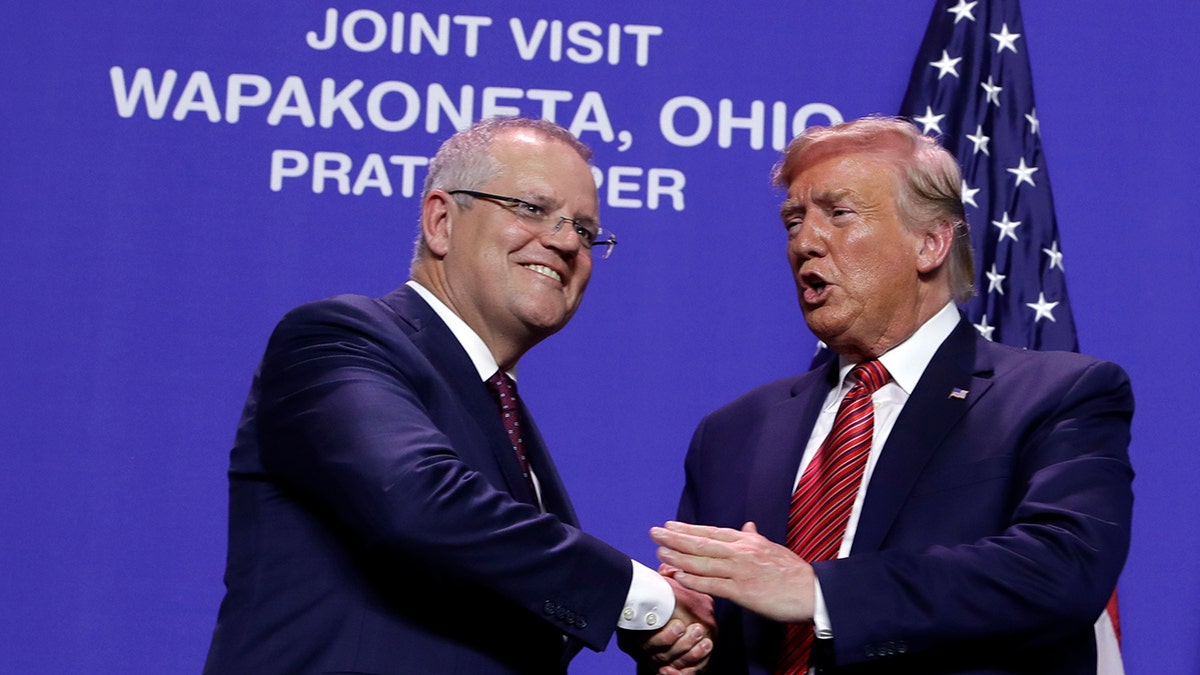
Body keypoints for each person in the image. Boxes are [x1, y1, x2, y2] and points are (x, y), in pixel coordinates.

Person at [204, 116, 713, 674]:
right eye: (532, 209)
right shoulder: (339, 337)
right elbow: (416, 499)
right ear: (441, 220)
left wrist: (660, 644)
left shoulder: (504, 415)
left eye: (586, 231)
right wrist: (640, 599)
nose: (567, 241)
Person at [650, 116, 1133, 674]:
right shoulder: (734, 430)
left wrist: (819, 591)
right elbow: (713, 628)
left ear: (929, 243)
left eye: (839, 213)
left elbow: (1063, 570)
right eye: (793, 220)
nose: (805, 242)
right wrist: (681, 642)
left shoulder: (1055, 396)